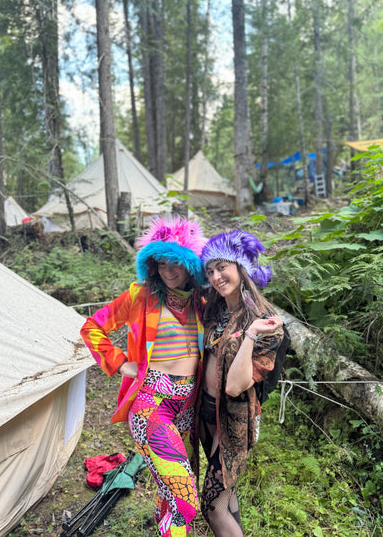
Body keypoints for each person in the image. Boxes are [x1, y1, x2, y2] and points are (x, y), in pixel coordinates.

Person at [80, 216, 207, 537]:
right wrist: (121, 363)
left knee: (169, 485)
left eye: (175, 263)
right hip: (151, 405)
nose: (168, 271)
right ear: (152, 265)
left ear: (190, 264)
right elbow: (93, 327)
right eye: (161, 263)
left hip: (188, 407)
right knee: (185, 497)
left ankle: (161, 527)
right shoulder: (141, 296)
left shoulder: (202, 301)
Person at [196, 230, 284, 537]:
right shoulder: (215, 308)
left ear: (240, 267)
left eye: (223, 267)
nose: (217, 276)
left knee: (211, 504)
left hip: (233, 421)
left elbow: (235, 385)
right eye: (210, 270)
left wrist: (250, 334)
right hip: (205, 411)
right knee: (226, 493)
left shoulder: (265, 321)